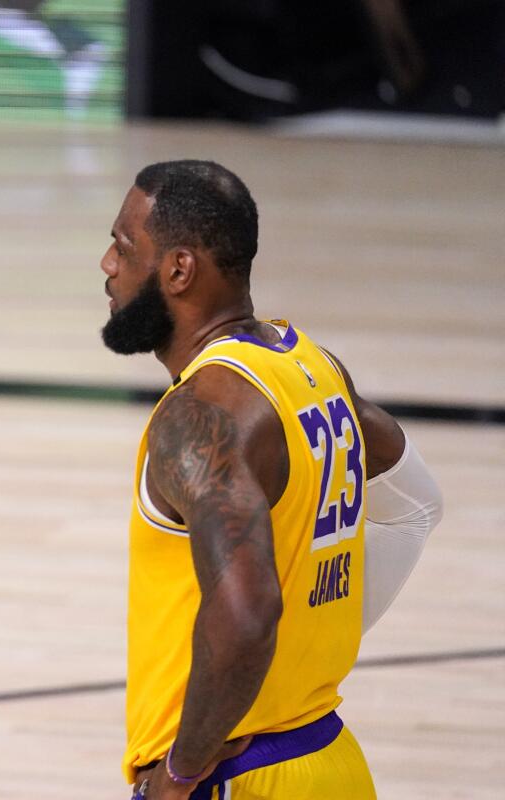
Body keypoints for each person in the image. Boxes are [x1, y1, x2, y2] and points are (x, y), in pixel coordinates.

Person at [98, 160, 442, 798]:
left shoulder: (199, 417)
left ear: (178, 269)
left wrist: (180, 774)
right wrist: (308, 643)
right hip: (331, 762)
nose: (106, 264)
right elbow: (416, 503)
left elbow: (249, 612)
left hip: (236, 778)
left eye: (124, 246)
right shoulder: (311, 366)